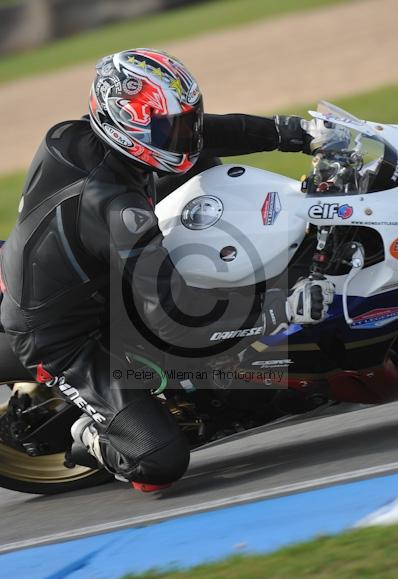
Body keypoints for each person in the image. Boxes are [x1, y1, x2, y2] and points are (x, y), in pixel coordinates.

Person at [0, 49, 334, 491]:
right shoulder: (116, 209)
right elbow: (175, 318)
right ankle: (93, 435)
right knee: (160, 462)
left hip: (92, 271)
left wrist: (287, 132)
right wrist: (278, 308)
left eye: (185, 121)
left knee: (205, 169)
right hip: (64, 336)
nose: (185, 136)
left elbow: (203, 137)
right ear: (127, 125)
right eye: (170, 128)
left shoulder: (71, 135)